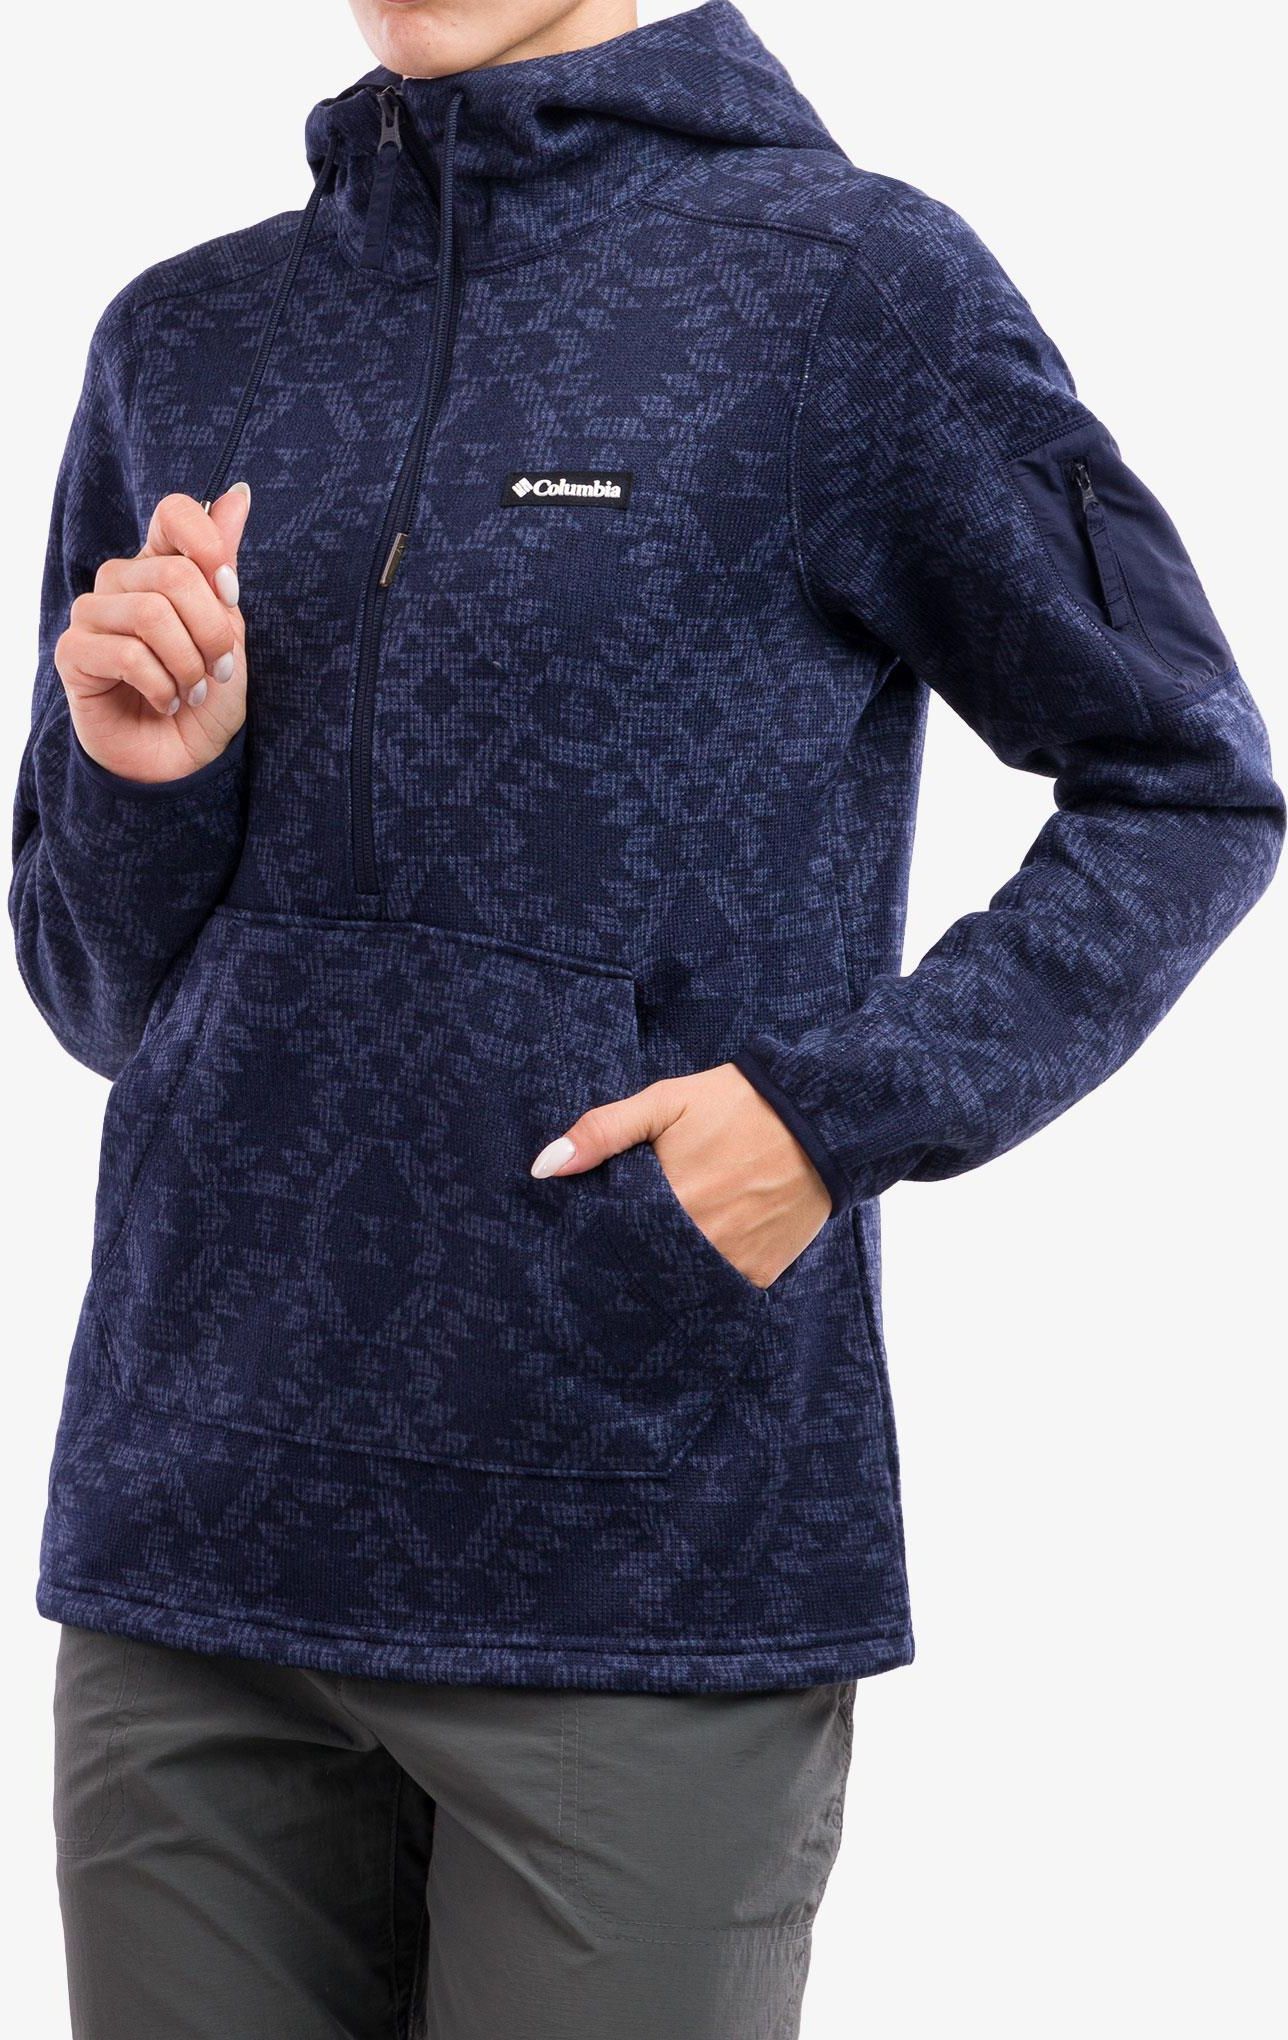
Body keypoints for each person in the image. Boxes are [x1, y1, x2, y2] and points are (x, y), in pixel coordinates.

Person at [10, 0, 1281, 2033]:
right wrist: (143, 776)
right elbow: (95, 994)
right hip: (193, 1551)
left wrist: (834, 1112)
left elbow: (1184, 784)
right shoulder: (185, 336)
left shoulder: (849, 289)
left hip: (639, 1562)